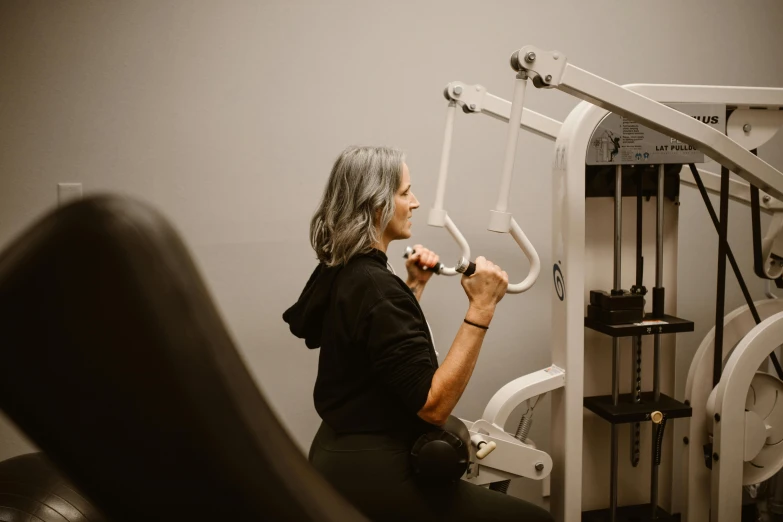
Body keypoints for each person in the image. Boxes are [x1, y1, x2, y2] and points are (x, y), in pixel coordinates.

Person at [284, 146, 553, 522]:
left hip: (337, 453)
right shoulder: (376, 287)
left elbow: (374, 344)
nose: (415, 202)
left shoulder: (347, 270)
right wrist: (482, 308)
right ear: (377, 205)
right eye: (405, 192)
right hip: (375, 471)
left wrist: (414, 285)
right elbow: (433, 405)